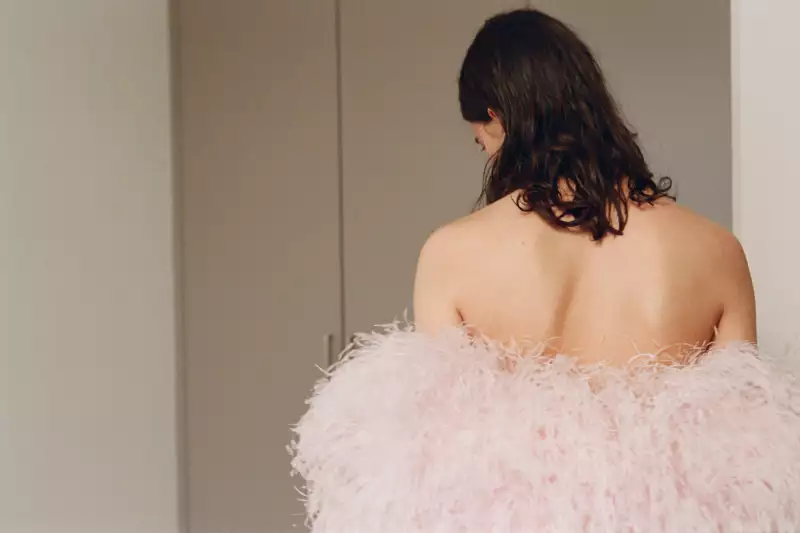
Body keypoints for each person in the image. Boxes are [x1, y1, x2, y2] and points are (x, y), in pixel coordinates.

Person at [291, 9, 800, 532]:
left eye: (481, 142)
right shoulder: (716, 251)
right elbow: (744, 476)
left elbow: (445, 481)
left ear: (496, 118)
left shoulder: (451, 254)